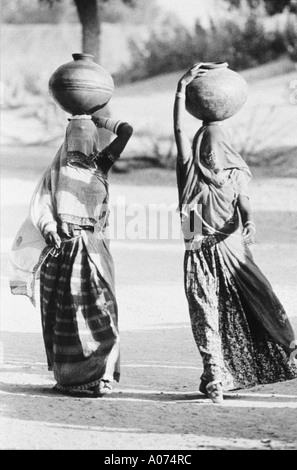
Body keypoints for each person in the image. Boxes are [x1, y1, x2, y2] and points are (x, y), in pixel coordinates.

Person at [173, 63, 297, 404]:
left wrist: (249, 223)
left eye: (217, 151)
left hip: (231, 248)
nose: (211, 156)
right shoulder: (189, 171)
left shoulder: (234, 174)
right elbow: (179, 133)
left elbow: (243, 204)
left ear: (227, 152)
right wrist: (180, 89)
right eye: (206, 150)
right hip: (199, 249)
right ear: (198, 150)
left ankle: (290, 347)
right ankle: (215, 375)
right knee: (205, 312)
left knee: (260, 295)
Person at [9, 114, 133, 397]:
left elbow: (127, 130)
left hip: (94, 249)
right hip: (65, 251)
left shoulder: (100, 163)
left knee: (103, 311)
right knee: (69, 316)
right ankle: (73, 378)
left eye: (83, 138)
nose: (78, 144)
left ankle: (102, 375)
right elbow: (40, 204)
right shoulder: (56, 172)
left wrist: (96, 119)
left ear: (92, 141)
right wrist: (49, 226)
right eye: (73, 138)